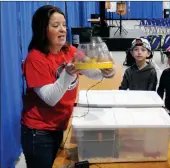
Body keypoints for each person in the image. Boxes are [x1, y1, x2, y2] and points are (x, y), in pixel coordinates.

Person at [21, 5, 116, 168]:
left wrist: (107, 71)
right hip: (38, 132)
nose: (63, 30)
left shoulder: (70, 50)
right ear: (42, 29)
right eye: (55, 26)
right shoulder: (34, 59)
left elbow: (91, 71)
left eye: (64, 25)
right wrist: (69, 72)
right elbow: (50, 98)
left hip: (59, 125)